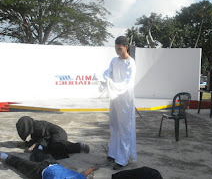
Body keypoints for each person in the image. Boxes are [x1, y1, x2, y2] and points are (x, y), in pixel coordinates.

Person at [101, 36, 137, 170]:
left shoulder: (130, 63)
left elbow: (127, 83)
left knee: (125, 128)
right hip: (115, 98)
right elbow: (108, 73)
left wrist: (113, 84)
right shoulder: (114, 61)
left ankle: (122, 159)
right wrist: (103, 79)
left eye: (119, 49)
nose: (117, 51)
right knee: (114, 125)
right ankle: (113, 152)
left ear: (126, 47)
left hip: (125, 100)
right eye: (115, 48)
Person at [16, 116, 90, 160]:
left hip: (58, 134)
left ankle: (78, 146)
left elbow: (45, 137)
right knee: (44, 147)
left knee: (55, 147)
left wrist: (35, 145)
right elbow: (38, 139)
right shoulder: (33, 126)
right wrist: (26, 144)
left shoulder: (37, 126)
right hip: (51, 136)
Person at [0, 146, 94, 179]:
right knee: (22, 163)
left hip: (49, 165)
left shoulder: (79, 177)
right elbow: (84, 173)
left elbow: (84, 173)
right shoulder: (80, 177)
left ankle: (40, 147)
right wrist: (91, 169)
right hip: (45, 167)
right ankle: (39, 147)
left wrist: (92, 168)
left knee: (23, 163)